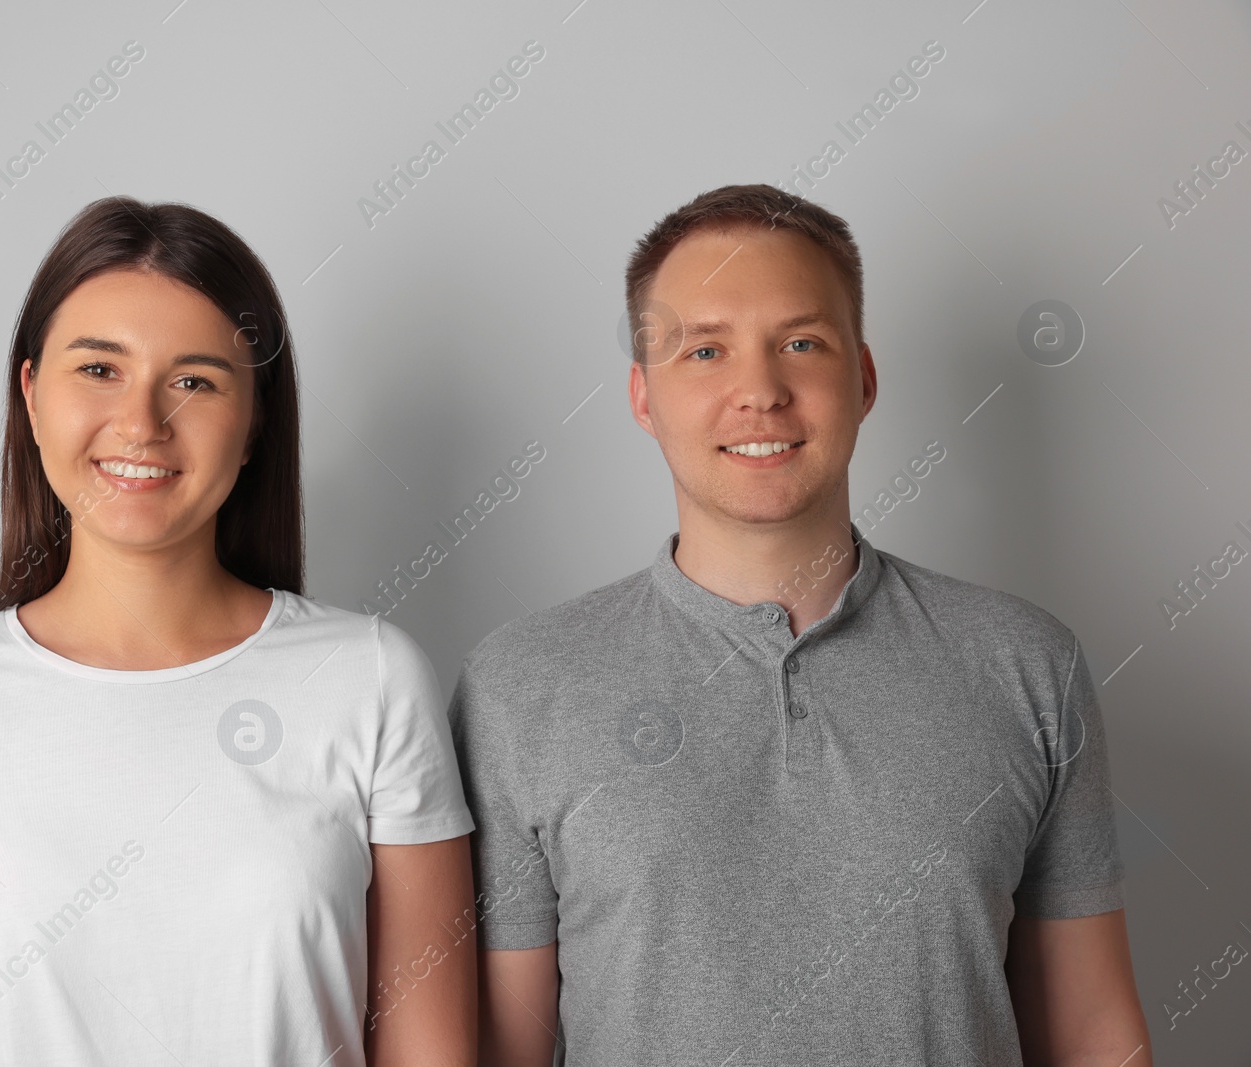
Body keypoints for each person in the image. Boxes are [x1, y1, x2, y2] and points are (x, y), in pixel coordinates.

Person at [450, 184, 1151, 1066]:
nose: (760, 391)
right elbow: (505, 1047)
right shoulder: (519, 684)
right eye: (705, 349)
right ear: (643, 397)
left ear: (861, 377)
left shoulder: (1027, 664)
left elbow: (1090, 1030)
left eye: (801, 342)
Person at [0, 196, 477, 1066]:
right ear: (31, 393)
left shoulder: (373, 679)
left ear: (255, 421)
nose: (142, 424)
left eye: (195, 380)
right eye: (98, 369)